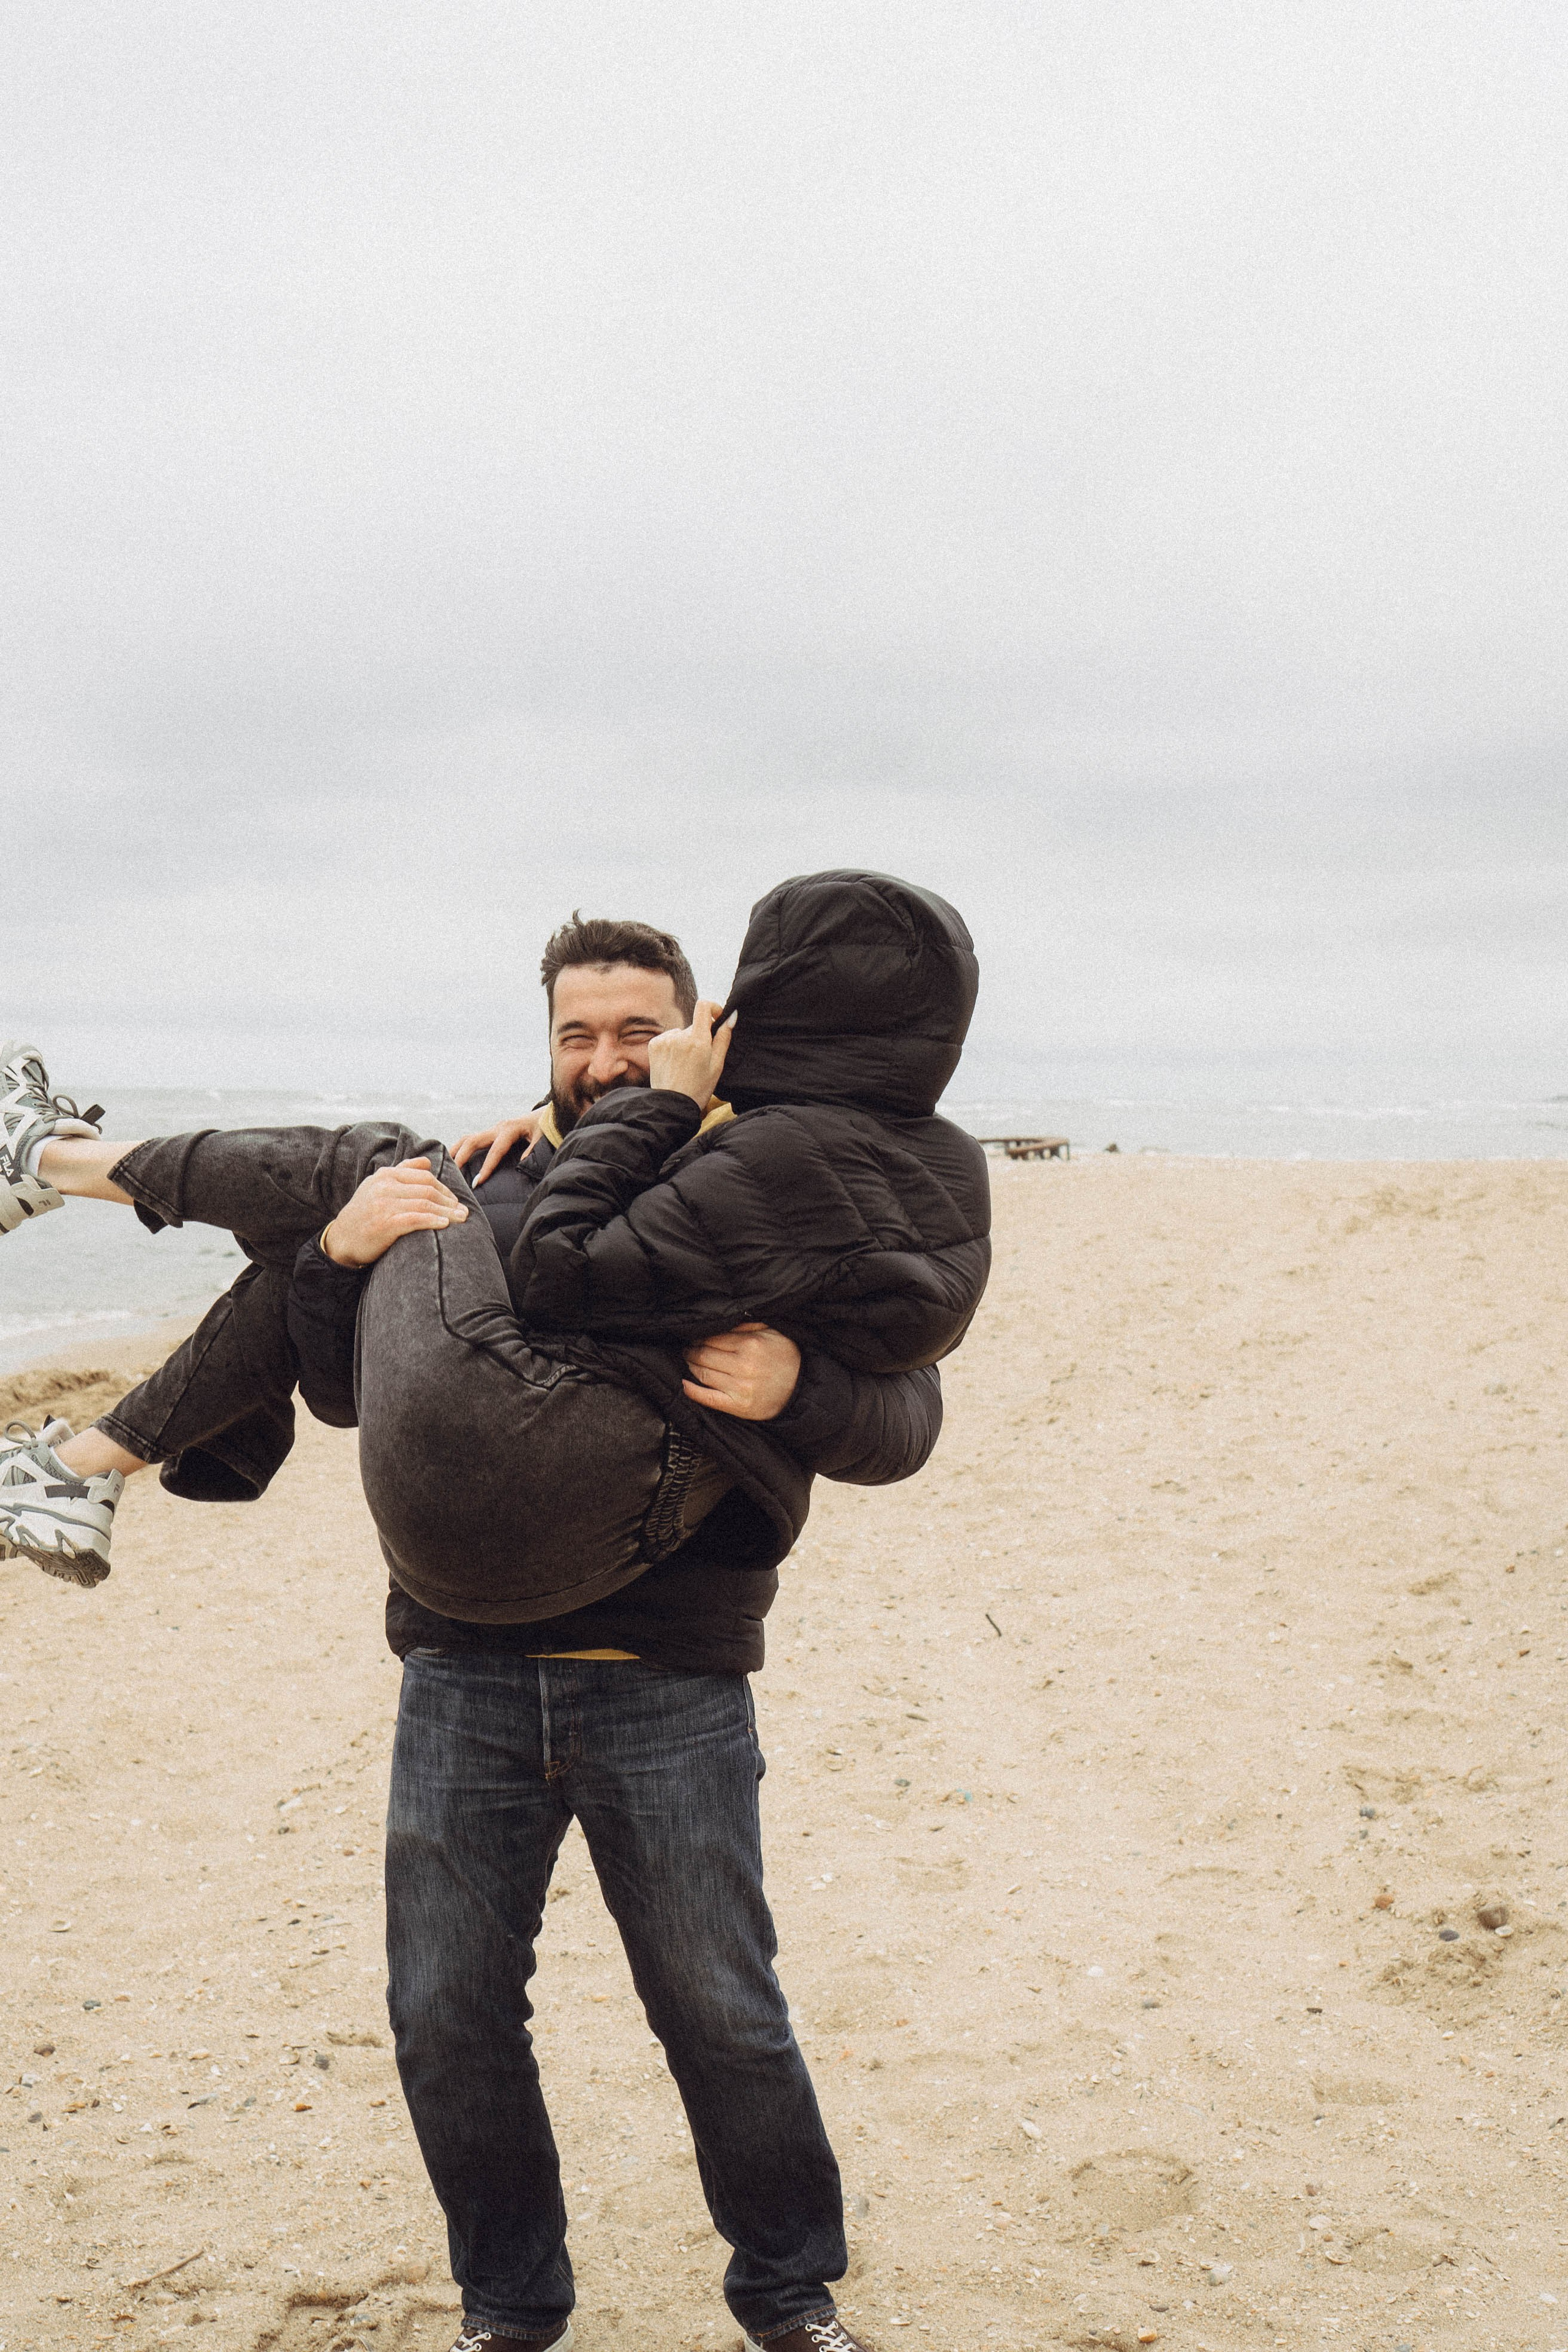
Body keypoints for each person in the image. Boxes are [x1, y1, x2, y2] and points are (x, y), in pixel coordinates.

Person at [0, 874, 990, 2352]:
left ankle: (789, 2296)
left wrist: (810, 1392)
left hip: (668, 1676)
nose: (602, 1058)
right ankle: (509, 2312)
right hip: (460, 1671)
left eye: (635, 1031)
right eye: (576, 1031)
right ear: (546, 1039)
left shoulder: (771, 1174)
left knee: (722, 2012)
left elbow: (904, 1415)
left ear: (697, 1037)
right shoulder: (492, 1174)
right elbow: (351, 1390)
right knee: (449, 2019)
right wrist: (336, 1260)